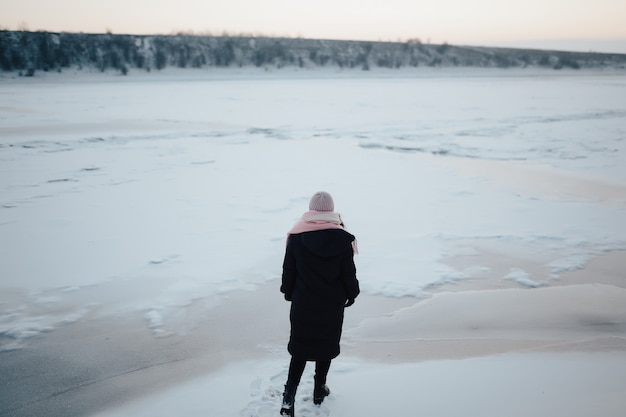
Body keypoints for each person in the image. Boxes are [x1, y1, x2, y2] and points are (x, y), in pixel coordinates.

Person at [280, 191, 360, 416]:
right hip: (331, 304)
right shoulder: (343, 239)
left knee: (300, 348)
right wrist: (352, 293)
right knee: (325, 346)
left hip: (303, 303)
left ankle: (289, 397)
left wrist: (288, 292)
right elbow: (348, 273)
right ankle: (318, 390)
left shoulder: (296, 236)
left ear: (311, 209)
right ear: (331, 211)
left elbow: (289, 269)